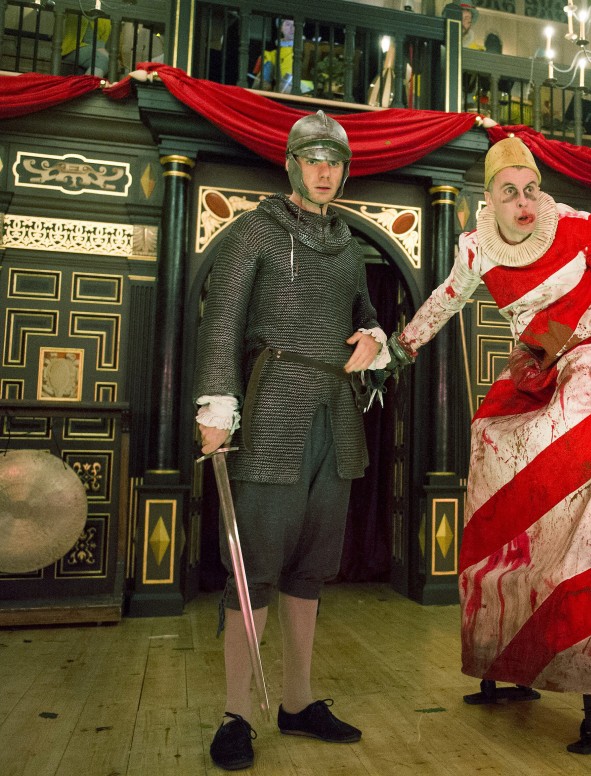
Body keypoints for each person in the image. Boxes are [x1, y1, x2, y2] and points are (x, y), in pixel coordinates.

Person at [391, 136, 591, 753]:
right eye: (510, 192)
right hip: (545, 347)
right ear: (490, 199)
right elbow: (446, 300)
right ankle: (508, 653)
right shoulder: (476, 249)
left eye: (531, 189)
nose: (524, 202)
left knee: (575, 464)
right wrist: (400, 346)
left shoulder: (574, 228)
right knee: (492, 444)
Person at [193, 110, 389, 771]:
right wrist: (218, 406)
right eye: (313, 158)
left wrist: (374, 338)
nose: (325, 169)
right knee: (252, 573)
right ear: (291, 164)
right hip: (273, 406)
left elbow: (363, 317)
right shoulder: (253, 233)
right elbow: (221, 326)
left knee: (309, 570)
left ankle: (299, 703)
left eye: (335, 160)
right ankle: (236, 714)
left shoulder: (349, 247)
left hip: (335, 416)